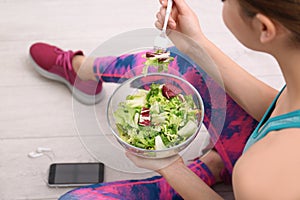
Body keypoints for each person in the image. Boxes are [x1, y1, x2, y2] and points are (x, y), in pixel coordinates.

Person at [29, 0, 300, 199]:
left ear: (264, 27)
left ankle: (210, 169)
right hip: (259, 163)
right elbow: (279, 107)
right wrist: (195, 42)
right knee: (181, 60)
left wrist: (171, 167)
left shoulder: (260, 176)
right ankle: (83, 71)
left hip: (257, 177)